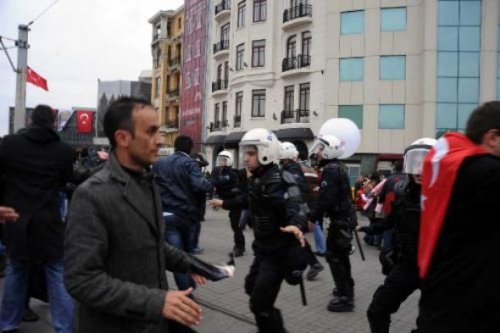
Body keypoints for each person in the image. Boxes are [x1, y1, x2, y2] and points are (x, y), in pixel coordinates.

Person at [64, 97, 231, 333]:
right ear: (123, 138)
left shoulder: (147, 183)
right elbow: (82, 280)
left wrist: (196, 266)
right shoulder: (92, 195)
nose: (160, 140)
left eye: (159, 131)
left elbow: (155, 246)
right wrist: (157, 301)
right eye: (151, 131)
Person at [209, 128, 307, 333]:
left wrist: (295, 224)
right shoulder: (256, 178)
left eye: (251, 154)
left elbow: (296, 205)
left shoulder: (282, 178)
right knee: (250, 287)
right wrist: (224, 202)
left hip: (278, 253)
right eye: (246, 153)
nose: (246, 159)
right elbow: (246, 199)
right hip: (262, 249)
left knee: (260, 304)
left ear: (266, 152)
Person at [416, 101, 500, 332]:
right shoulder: (485, 172)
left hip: (442, 298)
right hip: (467, 307)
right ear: (492, 137)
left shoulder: (453, 164)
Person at [0, 105, 75, 333]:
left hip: (16, 218)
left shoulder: (9, 144)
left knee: (16, 268)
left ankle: (8, 324)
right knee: (57, 272)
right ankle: (64, 328)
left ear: (31, 120)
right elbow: (65, 181)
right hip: (48, 220)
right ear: (53, 122)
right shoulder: (64, 150)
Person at [357, 138, 436, 333]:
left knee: (430, 323)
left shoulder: (446, 199)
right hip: (408, 266)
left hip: (436, 271)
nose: (418, 170)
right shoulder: (404, 196)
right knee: (377, 310)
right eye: (415, 162)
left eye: (424, 163)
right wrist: (367, 229)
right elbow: (390, 221)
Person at [153, 135, 213, 291]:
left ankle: (187, 290)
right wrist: (211, 183)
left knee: (178, 257)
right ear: (190, 148)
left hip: (166, 215)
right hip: (187, 215)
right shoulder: (190, 163)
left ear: (175, 147)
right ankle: (188, 290)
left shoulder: (160, 163)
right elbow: (200, 186)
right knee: (187, 255)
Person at [308, 135, 357, 312]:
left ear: (330, 151)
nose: (318, 153)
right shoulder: (338, 167)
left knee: (335, 257)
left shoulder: (331, 169)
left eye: (321, 149)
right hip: (344, 219)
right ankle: (344, 288)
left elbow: (325, 199)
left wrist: (312, 217)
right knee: (340, 257)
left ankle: (346, 297)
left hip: (340, 220)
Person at [277, 142, 324, 281]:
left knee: (292, 239)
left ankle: (305, 265)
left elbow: (297, 194)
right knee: (296, 238)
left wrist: (305, 216)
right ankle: (314, 263)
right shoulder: (298, 169)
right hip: (303, 210)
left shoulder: (289, 170)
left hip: (297, 211)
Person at [211, 150, 245, 256]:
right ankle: (239, 245)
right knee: (234, 225)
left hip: (235, 201)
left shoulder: (231, 173)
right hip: (228, 202)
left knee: (236, 226)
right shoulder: (221, 171)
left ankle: (240, 247)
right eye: (220, 160)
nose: (221, 162)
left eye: (224, 160)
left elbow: (219, 182)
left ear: (229, 161)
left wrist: (211, 181)